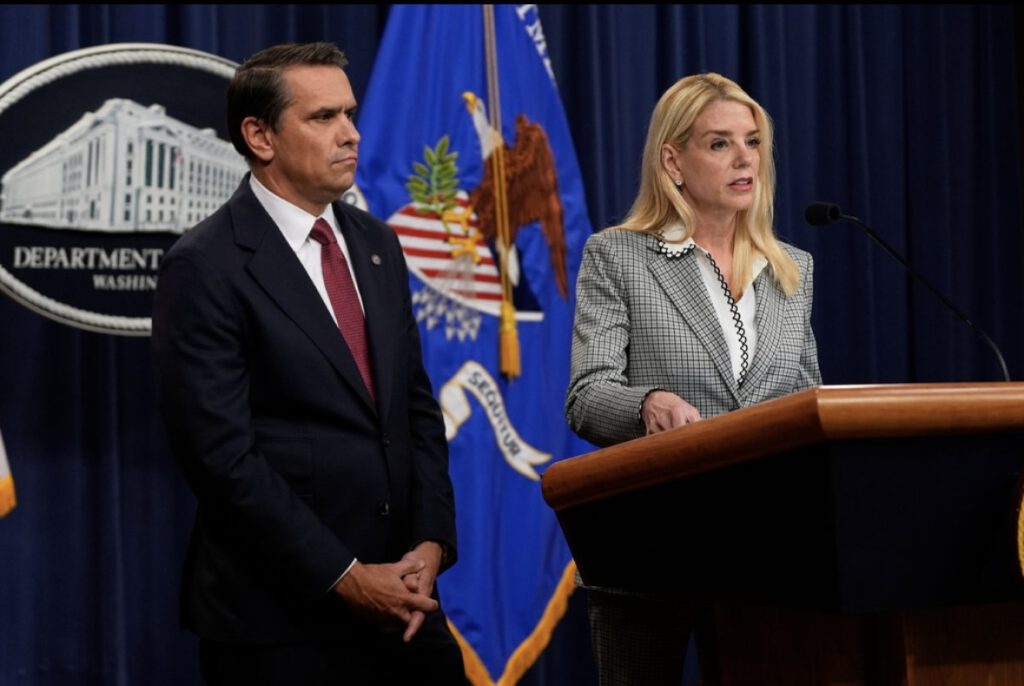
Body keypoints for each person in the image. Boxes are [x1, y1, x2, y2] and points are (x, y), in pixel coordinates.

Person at [151, 42, 466, 686]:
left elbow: (413, 407)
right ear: (260, 136)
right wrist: (347, 578)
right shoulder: (205, 265)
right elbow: (222, 460)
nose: (351, 134)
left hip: (407, 605)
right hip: (281, 623)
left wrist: (431, 544)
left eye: (350, 113)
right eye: (324, 117)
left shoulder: (377, 243)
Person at [564, 72, 822, 684]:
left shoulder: (792, 269)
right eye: (719, 143)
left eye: (753, 142)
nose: (744, 158)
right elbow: (586, 396)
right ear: (672, 161)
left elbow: (807, 401)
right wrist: (647, 403)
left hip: (770, 552)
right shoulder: (619, 256)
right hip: (653, 544)